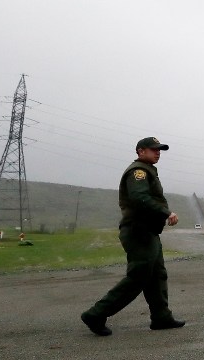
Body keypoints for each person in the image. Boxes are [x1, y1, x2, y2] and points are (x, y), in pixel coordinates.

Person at [81, 137, 185, 336]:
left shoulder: (148, 170)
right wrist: (166, 213)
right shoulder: (138, 172)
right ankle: (96, 314)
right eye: (154, 149)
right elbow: (140, 198)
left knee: (156, 275)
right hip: (139, 232)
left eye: (160, 149)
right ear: (140, 151)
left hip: (149, 232)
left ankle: (161, 317)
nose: (158, 152)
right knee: (138, 277)